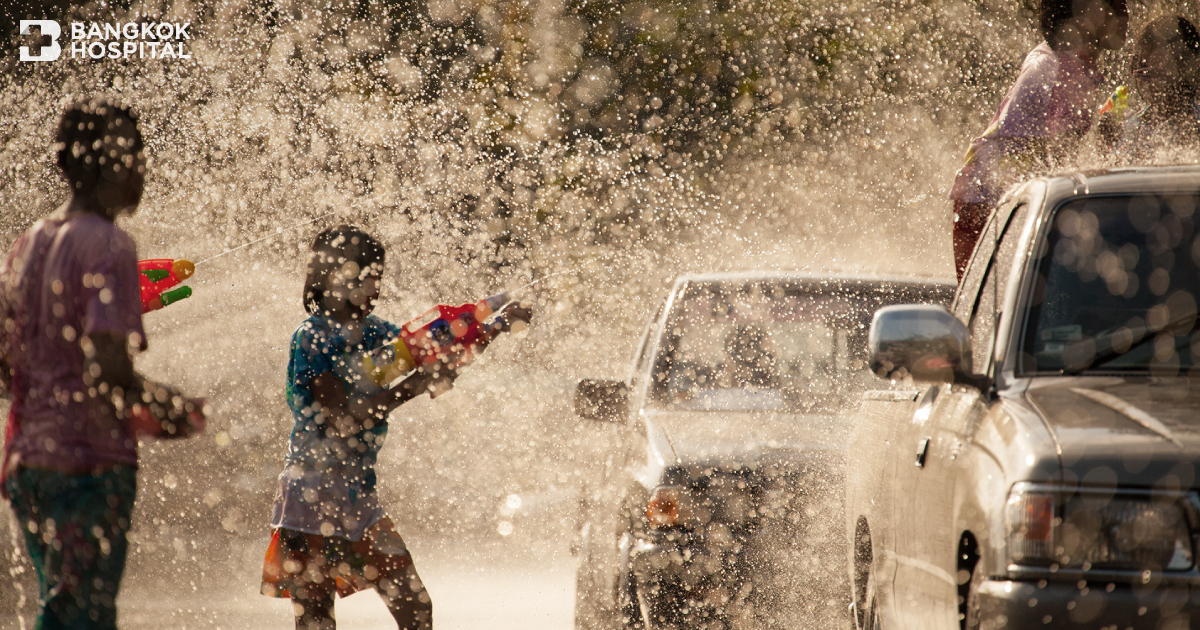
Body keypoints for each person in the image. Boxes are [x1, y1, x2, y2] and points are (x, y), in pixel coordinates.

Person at [0, 99, 207, 629]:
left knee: (62, 605)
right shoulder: (110, 246)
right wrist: (171, 406)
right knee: (84, 617)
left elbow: (6, 368)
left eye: (138, 153)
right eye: (125, 154)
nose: (139, 166)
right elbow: (108, 366)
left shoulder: (27, 244)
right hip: (87, 465)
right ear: (83, 164)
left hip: (29, 465)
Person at [260, 225, 531, 630]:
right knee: (317, 620)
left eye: (379, 279)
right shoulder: (312, 338)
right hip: (310, 498)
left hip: (358, 498)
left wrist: (492, 328)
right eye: (370, 279)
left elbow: (438, 348)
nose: (376, 290)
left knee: (415, 608)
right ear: (339, 277)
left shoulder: (375, 333)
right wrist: (415, 387)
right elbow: (342, 419)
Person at [948, 0, 1128, 280]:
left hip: (1004, 210)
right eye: (1112, 1)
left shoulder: (1074, 65)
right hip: (985, 212)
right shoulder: (1050, 67)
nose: (1124, 9)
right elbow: (1006, 152)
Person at [1116, 16, 1200, 161]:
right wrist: (1104, 144)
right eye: (1142, 70)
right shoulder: (1135, 124)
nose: (1150, 81)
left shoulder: (1194, 121)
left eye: (1159, 72)